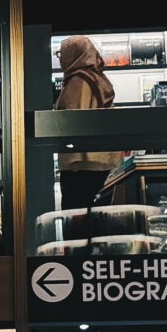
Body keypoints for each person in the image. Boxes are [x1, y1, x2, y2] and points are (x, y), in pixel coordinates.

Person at [53, 33, 121, 212]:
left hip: (81, 165)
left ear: (74, 54)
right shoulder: (96, 79)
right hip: (99, 163)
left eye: (62, 54)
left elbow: (76, 122)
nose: (61, 59)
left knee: (75, 218)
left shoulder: (78, 81)